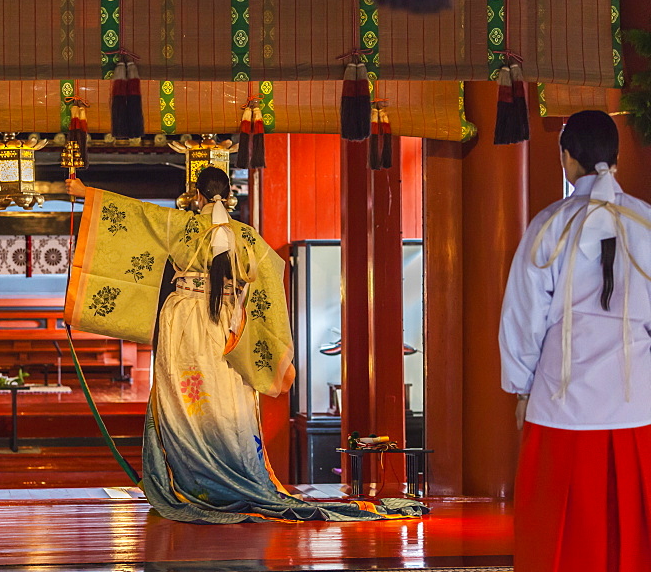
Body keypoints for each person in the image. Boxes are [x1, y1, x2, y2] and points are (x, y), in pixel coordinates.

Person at [66, 166, 427, 524]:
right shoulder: (247, 236)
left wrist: (85, 194)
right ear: (229, 194)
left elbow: (138, 216)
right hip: (228, 324)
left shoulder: (183, 225)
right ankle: (236, 472)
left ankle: (188, 481)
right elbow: (270, 274)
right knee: (226, 397)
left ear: (197, 195)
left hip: (183, 321)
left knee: (181, 398)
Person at [499, 110, 651, 572]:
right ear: (616, 154)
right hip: (636, 407)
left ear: (567, 158)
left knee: (559, 539)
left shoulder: (550, 226)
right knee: (632, 538)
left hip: (561, 404)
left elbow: (524, 318)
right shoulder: (646, 223)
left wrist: (521, 388)